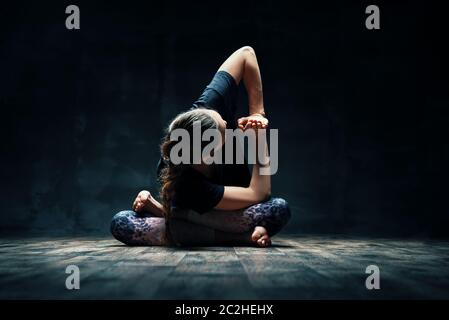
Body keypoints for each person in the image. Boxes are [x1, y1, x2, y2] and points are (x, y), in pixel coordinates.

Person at [110, 46, 290, 247]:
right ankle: (241, 237)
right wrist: (259, 136)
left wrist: (258, 113)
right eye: (225, 127)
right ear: (209, 154)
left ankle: (174, 215)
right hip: (217, 214)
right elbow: (260, 193)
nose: (228, 123)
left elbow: (246, 53)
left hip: (231, 208)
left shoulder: (203, 113)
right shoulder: (189, 184)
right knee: (123, 222)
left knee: (277, 208)